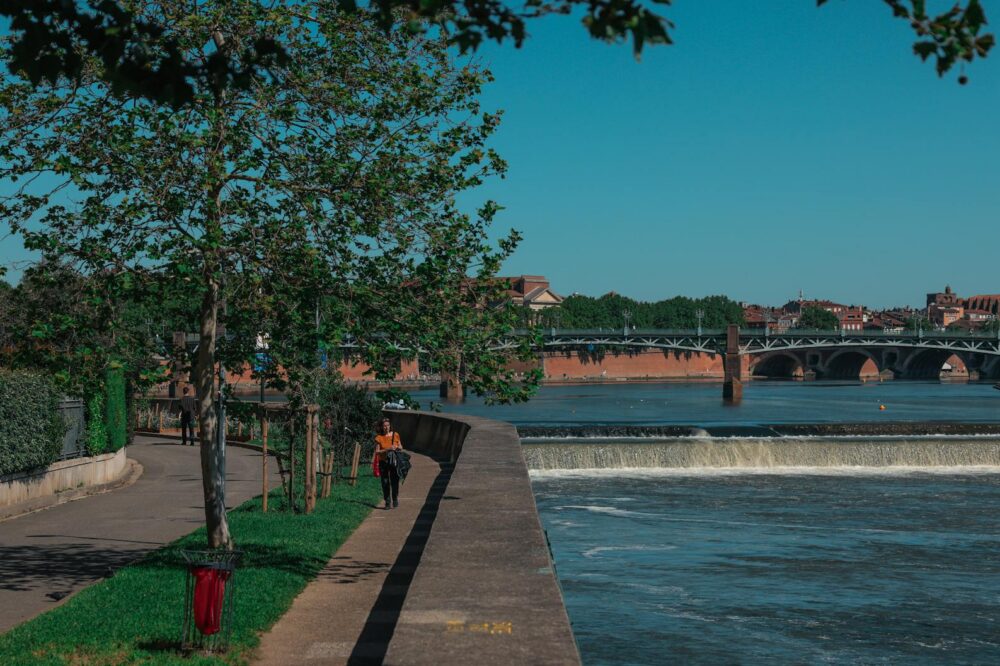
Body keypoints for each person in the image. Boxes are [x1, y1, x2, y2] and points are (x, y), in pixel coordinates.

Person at [374, 417, 403, 509]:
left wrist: (397, 447)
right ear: (381, 427)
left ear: (390, 426)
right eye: (384, 426)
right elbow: (377, 452)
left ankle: (395, 498)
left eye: (388, 425)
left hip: (394, 461)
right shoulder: (379, 438)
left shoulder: (396, 434)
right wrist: (388, 449)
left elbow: (401, 446)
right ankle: (387, 502)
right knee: (385, 482)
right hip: (383, 462)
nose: (386, 427)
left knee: (395, 481)